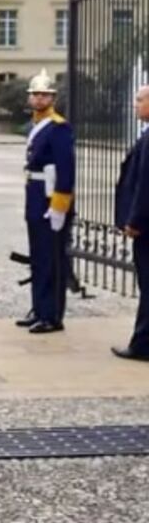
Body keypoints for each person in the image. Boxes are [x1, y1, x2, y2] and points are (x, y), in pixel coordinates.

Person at [15, 69, 75, 334]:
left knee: (52, 259)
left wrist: (59, 207)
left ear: (53, 98)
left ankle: (51, 316)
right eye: (35, 94)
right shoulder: (36, 125)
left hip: (50, 199)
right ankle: (39, 309)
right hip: (36, 196)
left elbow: (66, 169)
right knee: (39, 257)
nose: (39, 99)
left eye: (44, 95)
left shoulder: (59, 127)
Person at [112, 84, 149, 361]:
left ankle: (142, 344)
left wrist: (135, 220)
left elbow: (144, 185)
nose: (135, 104)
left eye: (139, 99)